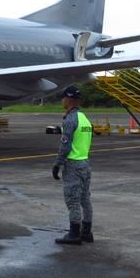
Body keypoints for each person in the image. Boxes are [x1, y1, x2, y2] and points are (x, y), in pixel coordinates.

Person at [52, 85, 94, 245]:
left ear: (68, 99)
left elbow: (65, 145)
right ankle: (87, 232)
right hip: (85, 163)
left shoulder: (70, 120)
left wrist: (57, 164)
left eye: (63, 98)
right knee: (85, 199)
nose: (62, 100)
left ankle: (74, 233)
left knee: (73, 200)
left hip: (73, 165)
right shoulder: (85, 119)